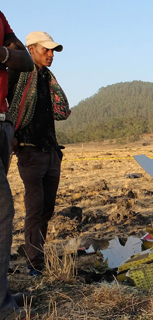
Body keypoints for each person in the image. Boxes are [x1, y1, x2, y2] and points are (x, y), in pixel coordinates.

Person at [7, 31, 70, 277]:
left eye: (52, 50)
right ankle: (34, 264)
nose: (51, 54)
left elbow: (59, 111)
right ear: (31, 49)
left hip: (51, 151)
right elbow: (7, 106)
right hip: (30, 151)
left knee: (47, 209)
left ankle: (38, 255)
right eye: (46, 50)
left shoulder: (47, 77)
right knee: (35, 207)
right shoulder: (18, 73)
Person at [0, 9, 35, 320]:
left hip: (1, 124)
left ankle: (1, 293)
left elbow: (22, 61)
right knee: (2, 210)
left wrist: (3, 53)